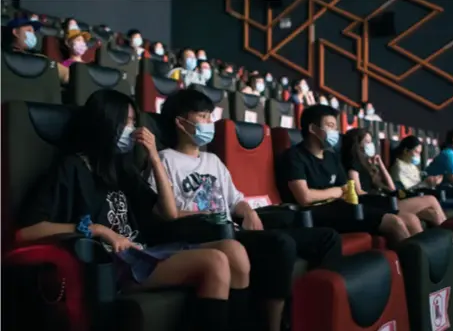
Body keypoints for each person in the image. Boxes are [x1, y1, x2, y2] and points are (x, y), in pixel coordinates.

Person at [17, 89, 250, 331]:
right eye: (125, 122)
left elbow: (167, 211)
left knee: (233, 250)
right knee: (214, 262)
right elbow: (26, 231)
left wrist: (154, 157)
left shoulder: (123, 168)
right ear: (105, 123)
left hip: (140, 253)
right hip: (108, 262)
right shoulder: (71, 167)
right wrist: (96, 230)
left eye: (133, 122)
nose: (132, 130)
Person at [147, 89, 342, 331]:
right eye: (202, 117)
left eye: (210, 116)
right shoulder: (166, 159)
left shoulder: (213, 161)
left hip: (235, 228)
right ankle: (273, 325)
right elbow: (162, 213)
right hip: (209, 236)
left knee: (327, 238)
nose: (209, 123)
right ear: (180, 122)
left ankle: (318, 314)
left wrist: (248, 211)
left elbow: (235, 200)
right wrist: (209, 217)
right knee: (281, 244)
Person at [277, 105, 421, 243]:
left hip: (342, 207)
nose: (335, 132)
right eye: (330, 126)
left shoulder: (331, 157)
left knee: (410, 219)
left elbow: (346, 189)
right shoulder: (294, 156)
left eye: (336, 127)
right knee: (395, 222)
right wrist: (337, 191)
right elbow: (305, 197)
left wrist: (338, 192)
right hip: (318, 214)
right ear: (313, 129)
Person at [342, 128, 446, 226]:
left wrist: (380, 164)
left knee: (433, 215)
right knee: (431, 199)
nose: (371, 145)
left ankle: (449, 240)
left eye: (371, 142)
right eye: (367, 142)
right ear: (358, 144)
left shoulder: (369, 166)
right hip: (376, 204)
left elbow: (392, 188)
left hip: (386, 200)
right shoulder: (354, 166)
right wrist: (380, 197)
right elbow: (358, 192)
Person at [390, 135, 453, 215]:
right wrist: (426, 183)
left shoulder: (411, 166)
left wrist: (431, 180)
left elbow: (418, 181)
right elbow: (405, 192)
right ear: (406, 151)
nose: (418, 156)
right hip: (411, 199)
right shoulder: (398, 167)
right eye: (417, 152)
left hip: (424, 195)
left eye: (420, 153)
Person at [5, 17, 69, 84]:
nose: (32, 34)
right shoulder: (4, 54)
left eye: (33, 32)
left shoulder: (40, 58)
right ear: (16, 32)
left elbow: (67, 75)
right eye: (29, 30)